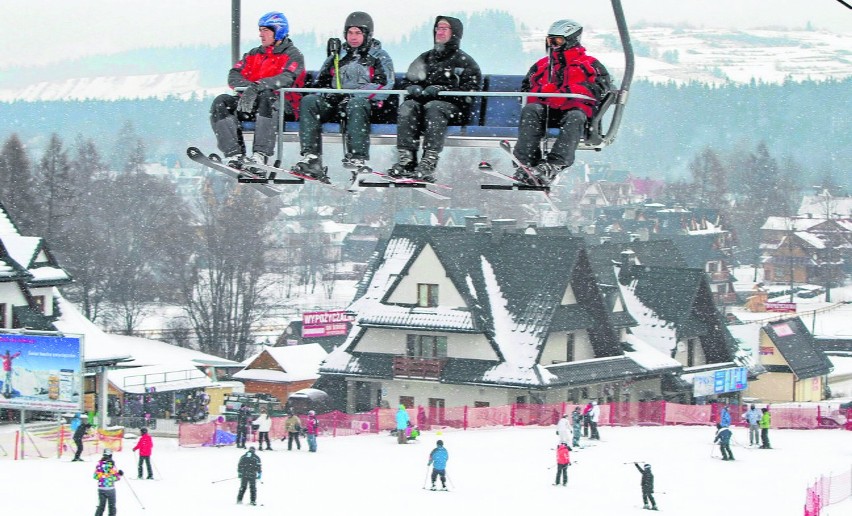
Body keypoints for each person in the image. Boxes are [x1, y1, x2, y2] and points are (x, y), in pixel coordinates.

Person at [290, 11, 394, 183]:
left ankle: (357, 157)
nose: (353, 37)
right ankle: (312, 157)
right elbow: (321, 82)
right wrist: (330, 95)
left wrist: (354, 94)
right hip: (335, 104)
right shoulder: (338, 56)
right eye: (350, 33)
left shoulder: (378, 56)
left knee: (356, 105)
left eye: (358, 33)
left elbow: (384, 85)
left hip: (363, 106)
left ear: (367, 34)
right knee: (309, 101)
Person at [513, 19, 611, 186]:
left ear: (571, 40)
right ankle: (526, 163)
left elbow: (599, 89)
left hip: (573, 111)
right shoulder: (542, 66)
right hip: (547, 111)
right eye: (550, 41)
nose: (553, 45)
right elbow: (526, 89)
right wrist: (547, 94)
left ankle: (554, 164)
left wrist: (563, 93)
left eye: (557, 41)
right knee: (531, 109)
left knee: (575, 117)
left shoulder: (589, 65)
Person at [387, 16, 482, 183]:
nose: (440, 32)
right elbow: (408, 80)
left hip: (453, 110)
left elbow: (470, 91)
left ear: (455, 34)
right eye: (438, 28)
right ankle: (407, 159)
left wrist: (443, 91)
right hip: (424, 107)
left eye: (445, 28)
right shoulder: (425, 58)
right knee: (408, 106)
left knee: (435, 107)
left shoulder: (465, 62)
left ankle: (429, 160)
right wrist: (413, 88)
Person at [210, 11, 306, 170]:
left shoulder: (293, 55)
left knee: (267, 97)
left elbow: (286, 78)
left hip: (281, 105)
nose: (261, 35)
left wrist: (257, 87)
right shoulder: (254, 54)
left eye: (265, 30)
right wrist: (250, 90)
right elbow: (234, 74)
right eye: (260, 30)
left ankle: (260, 154)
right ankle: (235, 153)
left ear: (278, 31)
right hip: (251, 103)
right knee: (221, 102)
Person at [93, 449, 123, 516]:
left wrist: (102, 475)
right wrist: (119, 474)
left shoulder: (99, 464)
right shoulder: (112, 465)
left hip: (101, 488)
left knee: (101, 506)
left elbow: (95, 476)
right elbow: (116, 478)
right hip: (110, 489)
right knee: (112, 507)